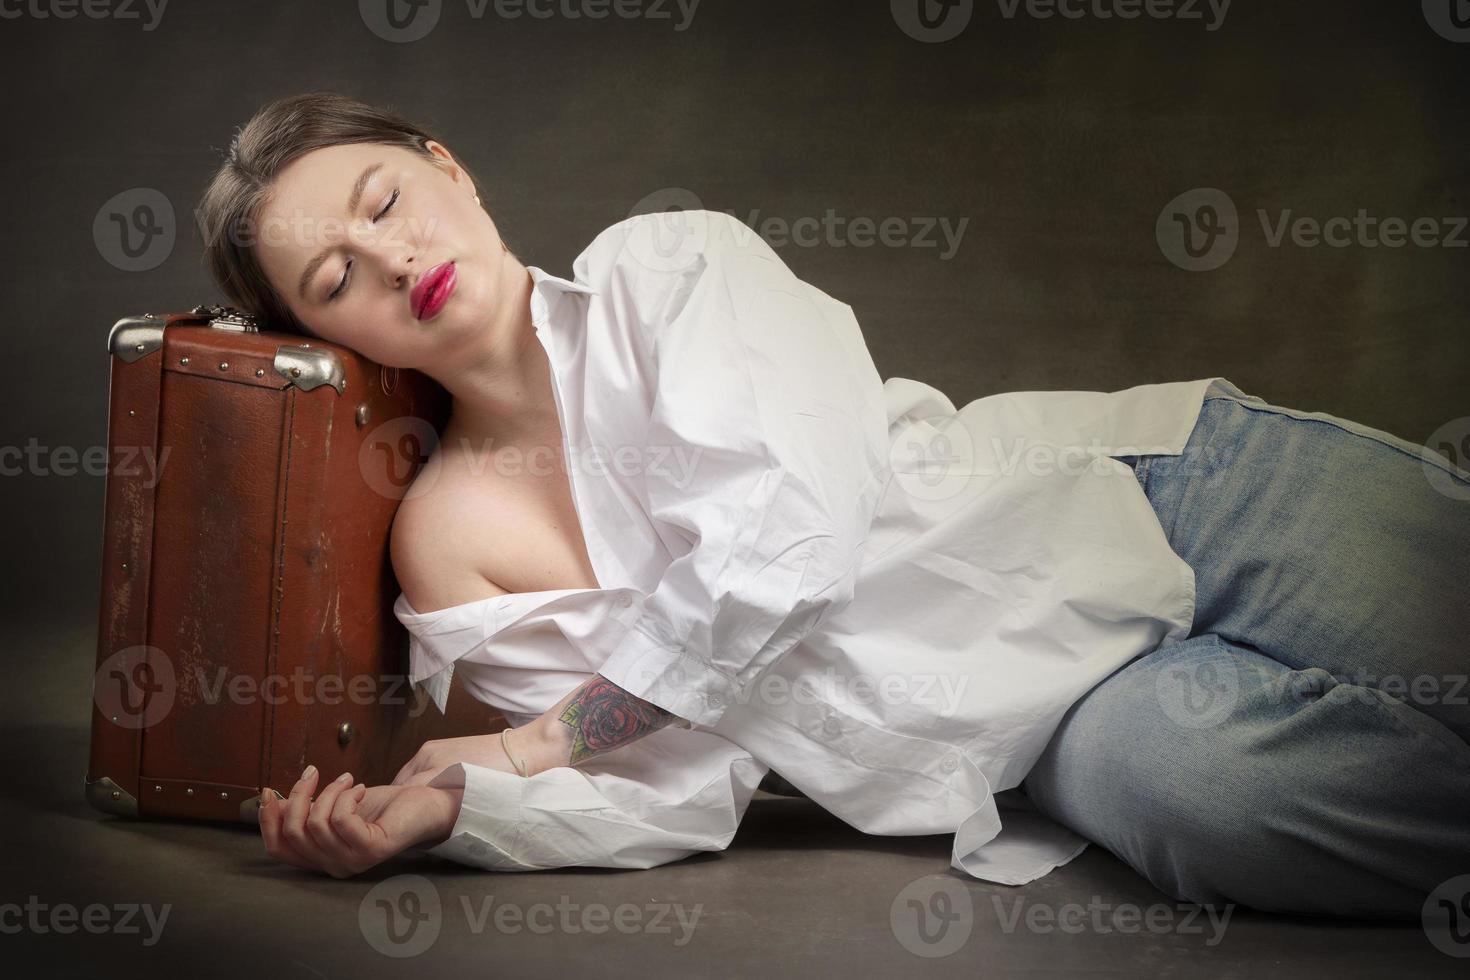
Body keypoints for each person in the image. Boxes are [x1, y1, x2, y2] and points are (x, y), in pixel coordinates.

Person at [198, 92, 1468, 919]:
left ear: (450, 169)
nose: (398, 259)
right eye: (336, 276)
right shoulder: (448, 537)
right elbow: (673, 779)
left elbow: (785, 541)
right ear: (321, 334)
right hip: (1042, 715)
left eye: (386, 202)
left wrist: (531, 744)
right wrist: (454, 808)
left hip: (1162, 492)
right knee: (1216, 804)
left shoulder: (668, 267)